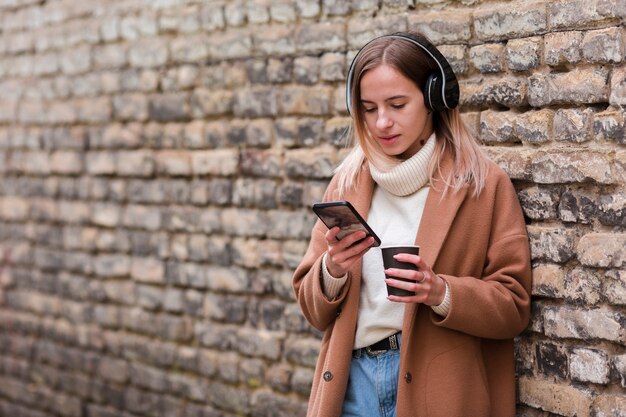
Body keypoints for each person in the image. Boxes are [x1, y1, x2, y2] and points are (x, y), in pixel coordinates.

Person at [292, 31, 532, 417]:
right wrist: (332, 269)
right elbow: (313, 309)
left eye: (397, 104)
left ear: (435, 98)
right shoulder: (348, 183)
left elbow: (513, 307)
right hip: (353, 388)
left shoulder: (483, 186)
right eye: (369, 109)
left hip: (441, 392)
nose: (382, 122)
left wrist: (440, 291)